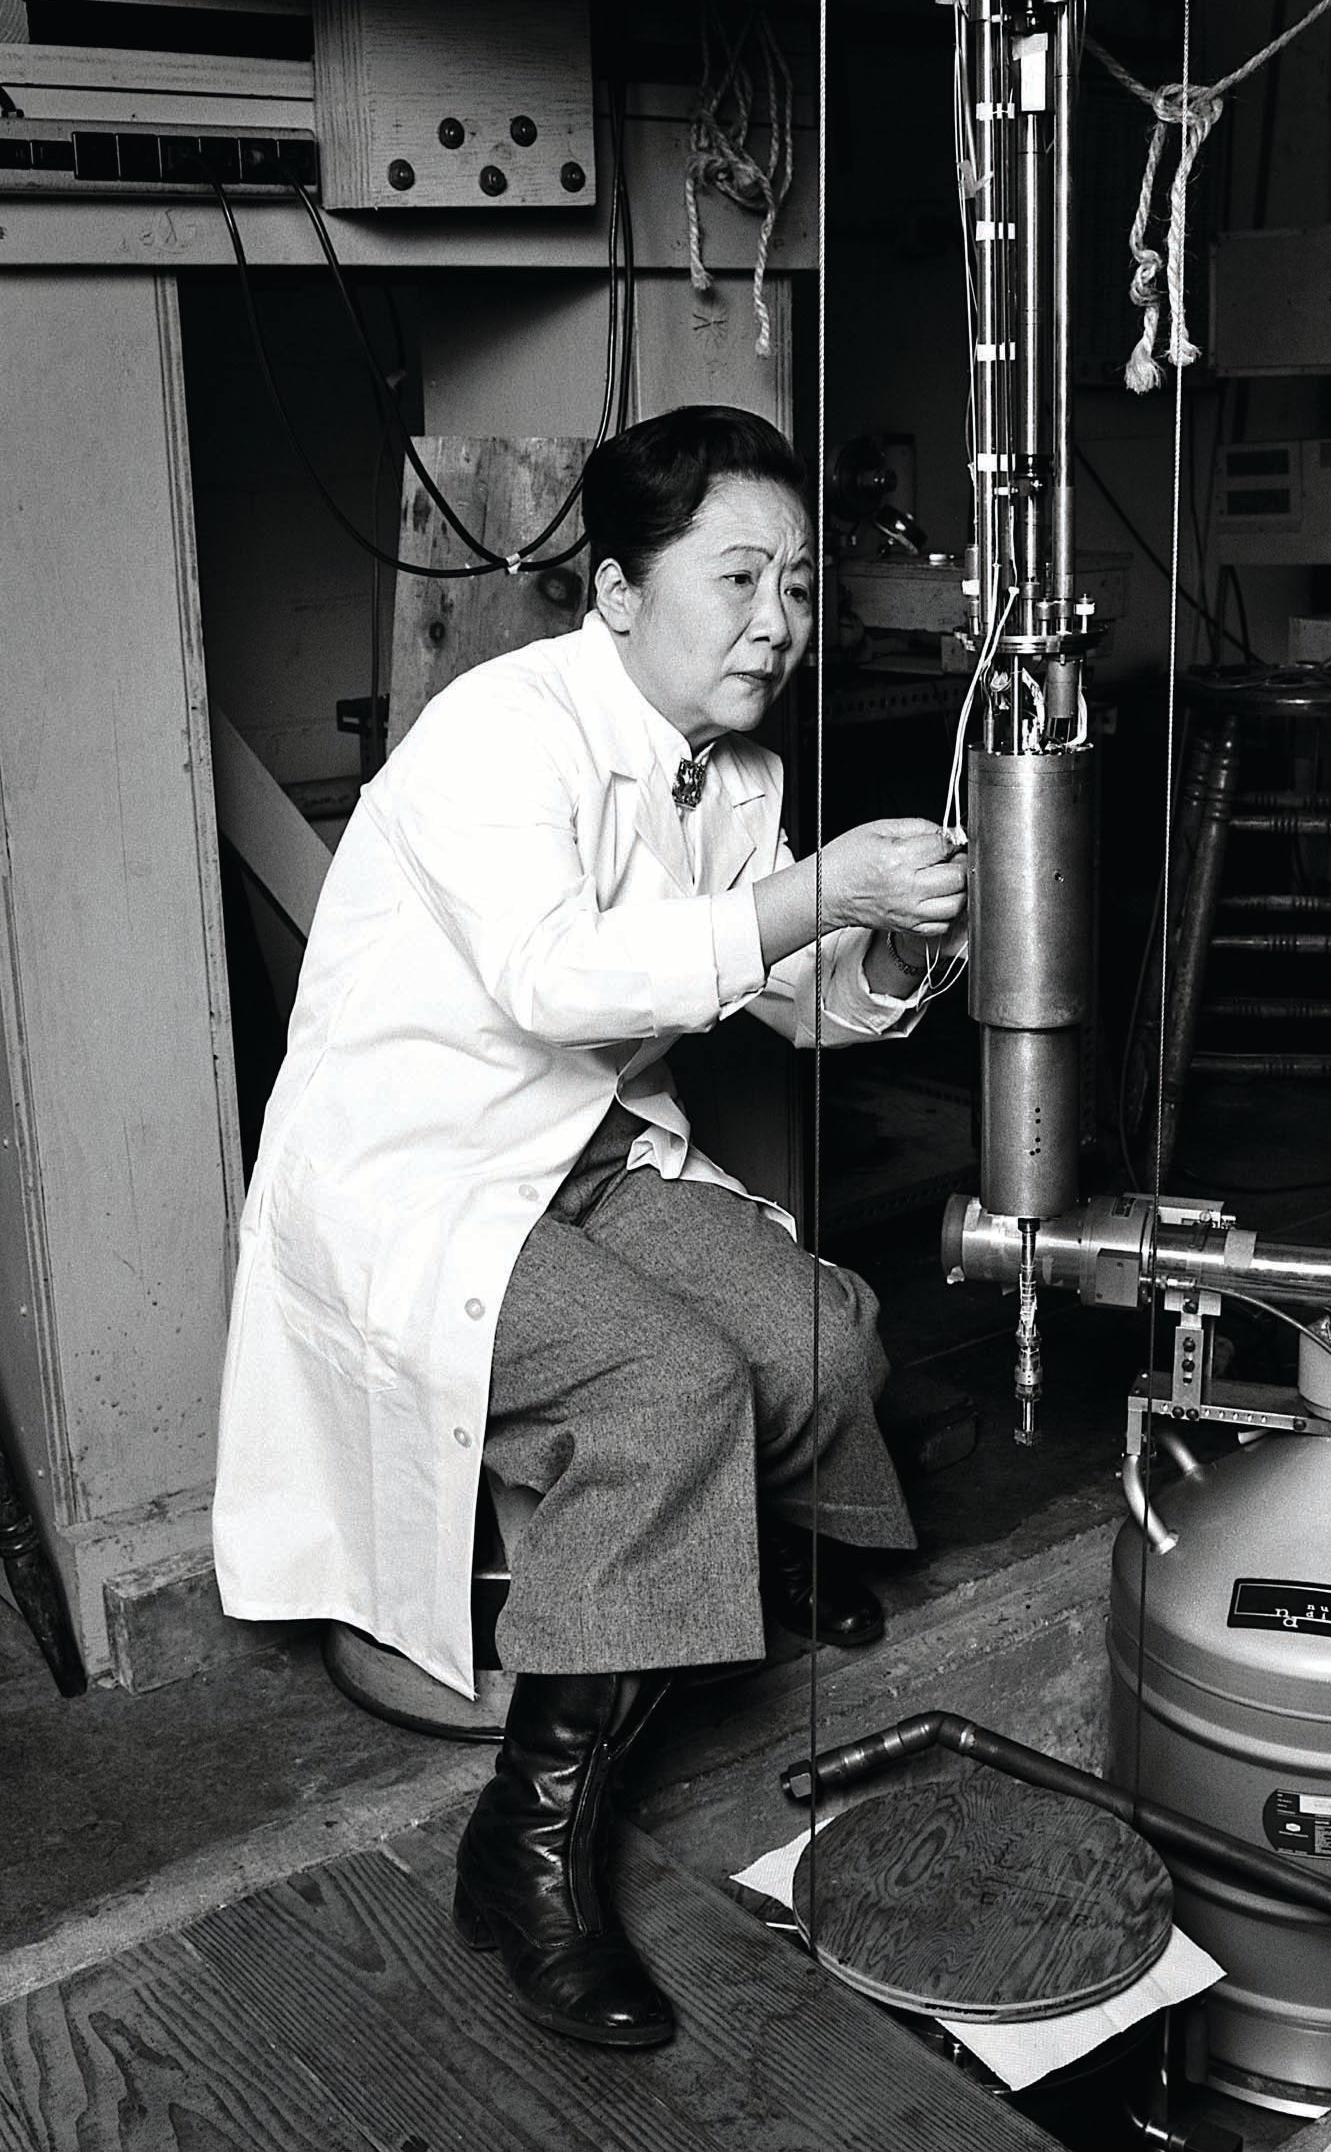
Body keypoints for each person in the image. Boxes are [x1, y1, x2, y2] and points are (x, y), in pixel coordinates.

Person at [212, 403, 967, 2050]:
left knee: (821, 1331)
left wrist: (895, 942)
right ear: (618, 592)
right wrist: (815, 889)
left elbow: (792, 996)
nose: (778, 619)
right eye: (739, 577)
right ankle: (524, 1858)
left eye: (797, 582)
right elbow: (558, 978)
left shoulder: (740, 767)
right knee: (666, 1388)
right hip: (419, 1172)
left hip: (579, 1144)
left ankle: (743, 1559)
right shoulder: (505, 730)